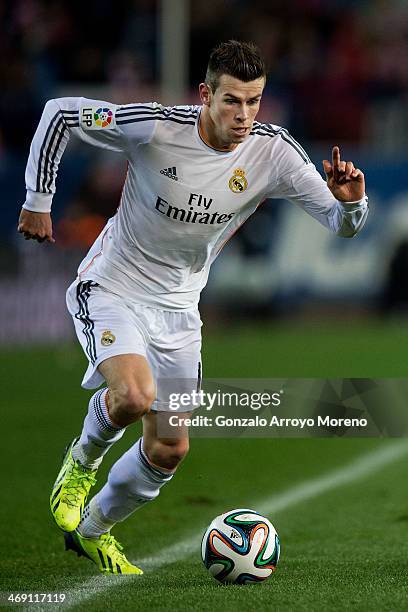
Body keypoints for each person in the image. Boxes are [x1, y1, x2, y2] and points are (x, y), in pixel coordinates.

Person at [18, 40, 368, 575]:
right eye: (232, 101)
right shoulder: (156, 126)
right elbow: (59, 113)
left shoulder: (273, 152)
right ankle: (80, 464)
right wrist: (38, 200)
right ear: (205, 95)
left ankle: (93, 531)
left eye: (255, 102)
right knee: (133, 396)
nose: (245, 116)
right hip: (114, 287)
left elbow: (340, 225)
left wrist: (352, 204)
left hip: (180, 312)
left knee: (169, 449)